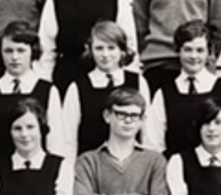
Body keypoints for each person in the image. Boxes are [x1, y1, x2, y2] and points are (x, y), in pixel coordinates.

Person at [142, 19, 221, 156]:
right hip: (174, 172)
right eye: (188, 50)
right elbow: (153, 144)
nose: (194, 56)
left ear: (209, 52)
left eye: (200, 50)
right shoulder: (164, 94)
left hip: (216, 172)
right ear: (178, 51)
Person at [57, 20, 151, 159]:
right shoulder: (78, 87)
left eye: (111, 48)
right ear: (90, 50)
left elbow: (147, 131)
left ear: (122, 50)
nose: (105, 54)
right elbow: (68, 138)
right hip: (91, 166)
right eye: (99, 48)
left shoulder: (137, 82)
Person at [0, 21, 63, 163]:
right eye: (8, 51)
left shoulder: (48, 91)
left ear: (32, 51)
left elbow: (55, 142)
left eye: (21, 50)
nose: (14, 57)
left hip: (38, 173)